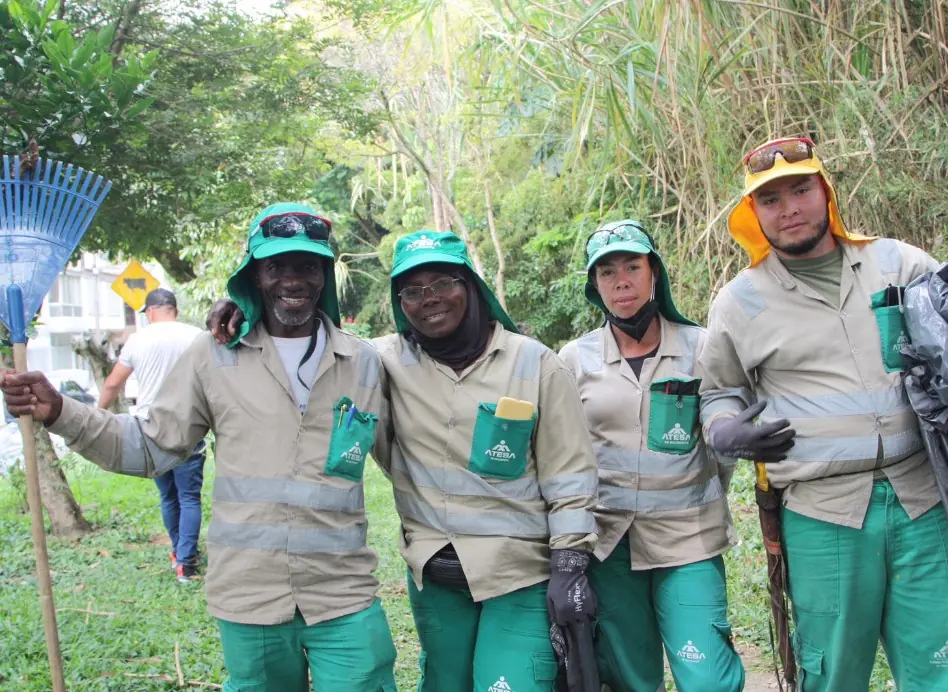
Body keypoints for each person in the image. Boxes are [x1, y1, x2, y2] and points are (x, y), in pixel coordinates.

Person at [2, 202, 397, 692]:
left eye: (307, 266)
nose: (292, 280)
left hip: (345, 597)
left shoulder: (363, 361)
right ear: (254, 276)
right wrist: (61, 412)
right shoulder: (212, 355)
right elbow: (148, 448)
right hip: (250, 598)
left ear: (324, 276)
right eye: (276, 266)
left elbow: (408, 447)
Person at [210, 230, 600, 692]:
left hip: (517, 575)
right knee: (443, 682)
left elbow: (570, 474)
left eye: (442, 283)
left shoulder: (535, 364)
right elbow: (306, 336)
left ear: (470, 286)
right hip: (436, 579)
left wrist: (571, 565)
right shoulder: (381, 362)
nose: (428, 299)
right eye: (411, 291)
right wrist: (244, 305)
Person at [698, 137, 948, 691]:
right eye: (770, 199)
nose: (789, 208)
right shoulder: (740, 302)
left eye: (801, 189)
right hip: (824, 515)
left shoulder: (898, 262)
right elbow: (717, 389)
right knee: (833, 672)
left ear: (827, 193)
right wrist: (724, 429)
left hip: (924, 501)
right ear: (754, 215)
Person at [558, 220, 744, 692]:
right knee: (629, 678)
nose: (621, 281)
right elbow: (565, 456)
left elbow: (723, 446)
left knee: (707, 677)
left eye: (632, 267)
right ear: (593, 286)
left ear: (653, 273)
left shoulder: (701, 347)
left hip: (689, 541)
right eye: (606, 272)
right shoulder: (573, 361)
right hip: (609, 545)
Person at [99, 288, 206, 583]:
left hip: (150, 429)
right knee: (189, 496)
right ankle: (187, 561)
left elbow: (112, 384)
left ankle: (178, 552)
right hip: (188, 426)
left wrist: (99, 413)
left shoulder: (138, 339)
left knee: (168, 494)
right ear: (175, 310)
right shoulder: (197, 336)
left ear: (149, 312)